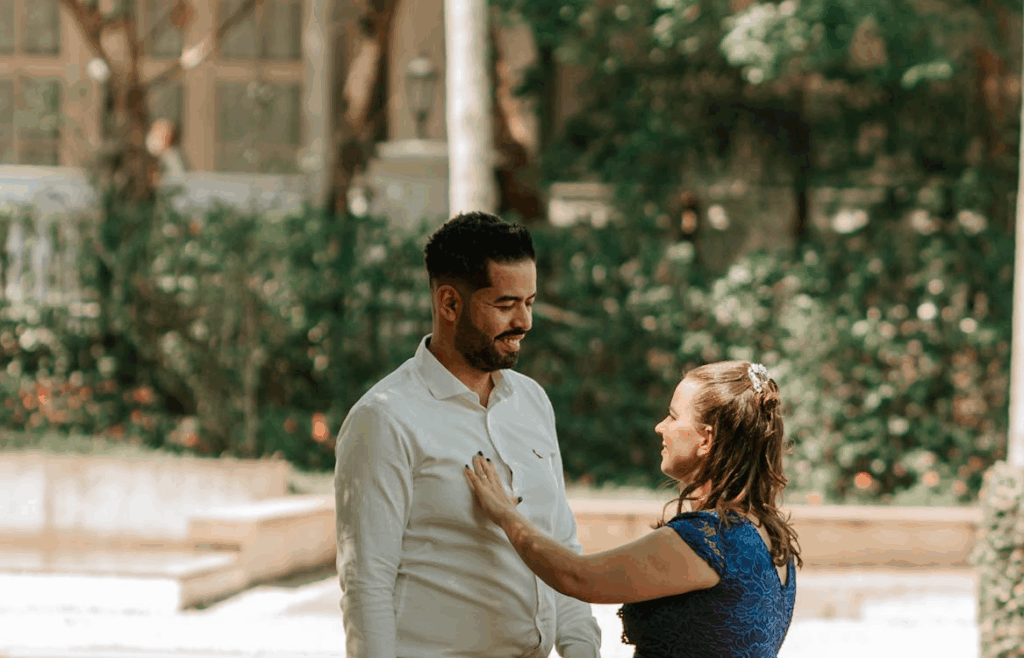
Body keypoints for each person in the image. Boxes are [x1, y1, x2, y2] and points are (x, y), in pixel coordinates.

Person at [334, 211, 602, 658]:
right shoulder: (384, 419)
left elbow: (562, 548)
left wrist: (582, 652)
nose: (525, 322)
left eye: (530, 302)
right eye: (505, 305)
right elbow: (366, 585)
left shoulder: (532, 401)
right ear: (450, 304)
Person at [466, 361, 801, 658]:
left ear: (705, 439)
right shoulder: (770, 538)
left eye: (673, 415)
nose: (660, 427)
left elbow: (576, 576)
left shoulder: (711, 540)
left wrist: (505, 515)